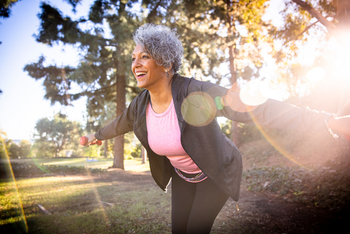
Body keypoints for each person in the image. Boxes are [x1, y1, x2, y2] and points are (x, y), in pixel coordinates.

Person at [83, 24, 350, 234]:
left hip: (215, 173)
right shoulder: (140, 106)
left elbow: (255, 108)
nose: (135, 64)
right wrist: (97, 136)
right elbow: (119, 124)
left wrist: (326, 120)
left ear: (165, 62)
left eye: (145, 57)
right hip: (183, 177)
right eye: (133, 58)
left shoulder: (195, 93)